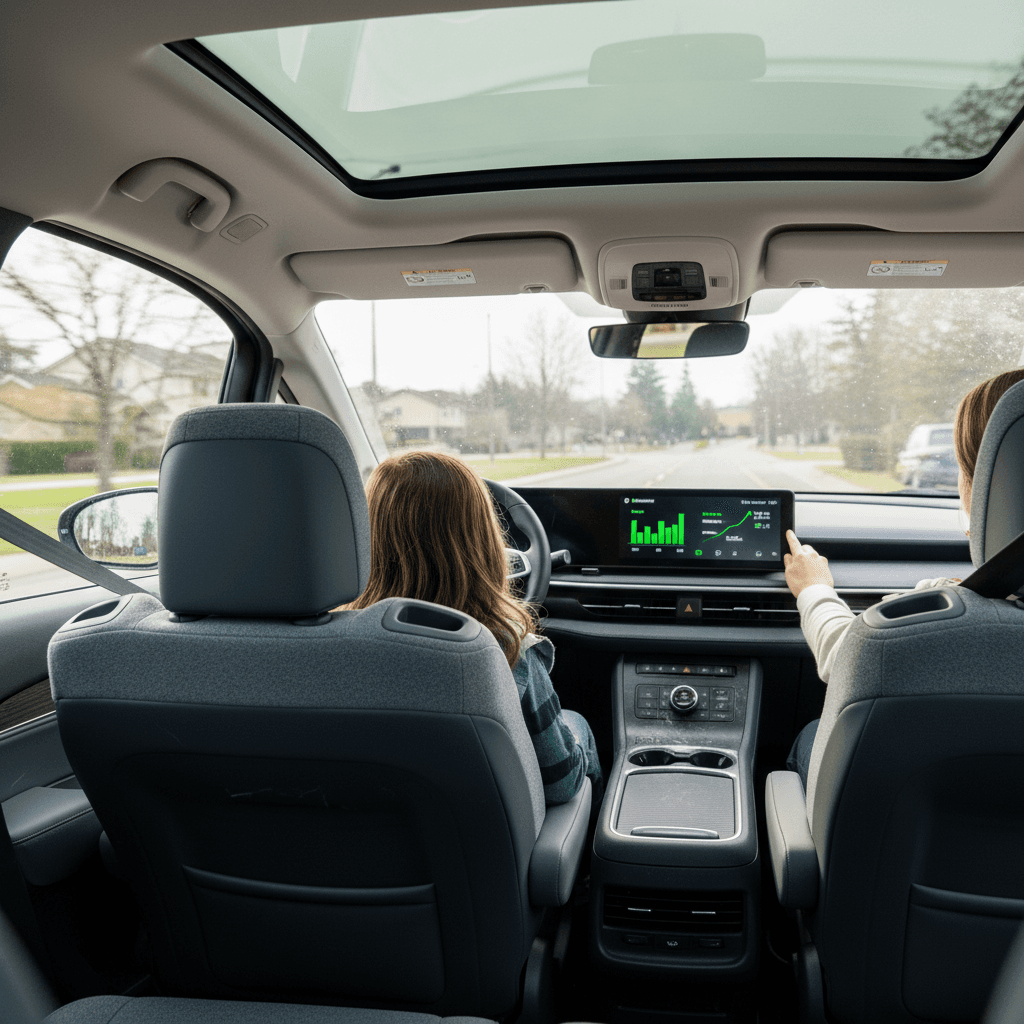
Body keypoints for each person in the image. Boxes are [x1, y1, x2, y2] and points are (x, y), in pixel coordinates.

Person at [783, 367, 1024, 787]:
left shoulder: (940, 612)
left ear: (985, 489)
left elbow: (847, 658)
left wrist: (815, 589)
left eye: (966, 472)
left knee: (809, 737)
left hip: (920, 845)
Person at [343, 449, 603, 805]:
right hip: (490, 852)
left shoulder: (334, 642)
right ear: (481, 541)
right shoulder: (508, 650)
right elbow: (559, 783)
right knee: (579, 727)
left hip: (380, 836)